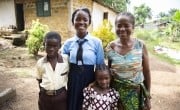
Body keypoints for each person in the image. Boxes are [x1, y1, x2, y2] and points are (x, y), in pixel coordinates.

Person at [105, 12, 151, 110]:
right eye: (119, 26)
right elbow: (108, 72)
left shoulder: (140, 45)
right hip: (116, 96)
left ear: (133, 27)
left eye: (126, 25)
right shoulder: (110, 47)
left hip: (136, 94)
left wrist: (147, 97)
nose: (122, 29)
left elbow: (147, 72)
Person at [61, 7, 104, 110]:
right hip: (73, 80)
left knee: (88, 105)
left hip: (90, 80)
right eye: (78, 19)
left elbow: (100, 66)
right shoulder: (68, 43)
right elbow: (61, 63)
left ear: (89, 22)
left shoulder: (96, 43)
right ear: (73, 22)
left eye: (85, 19)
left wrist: (95, 84)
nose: (81, 22)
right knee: (73, 105)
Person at [36, 31, 69, 110]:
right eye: (48, 46)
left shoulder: (66, 60)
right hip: (45, 98)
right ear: (44, 45)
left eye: (55, 46)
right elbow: (39, 79)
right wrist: (43, 94)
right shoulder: (40, 63)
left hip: (61, 97)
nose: (51, 49)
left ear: (60, 46)